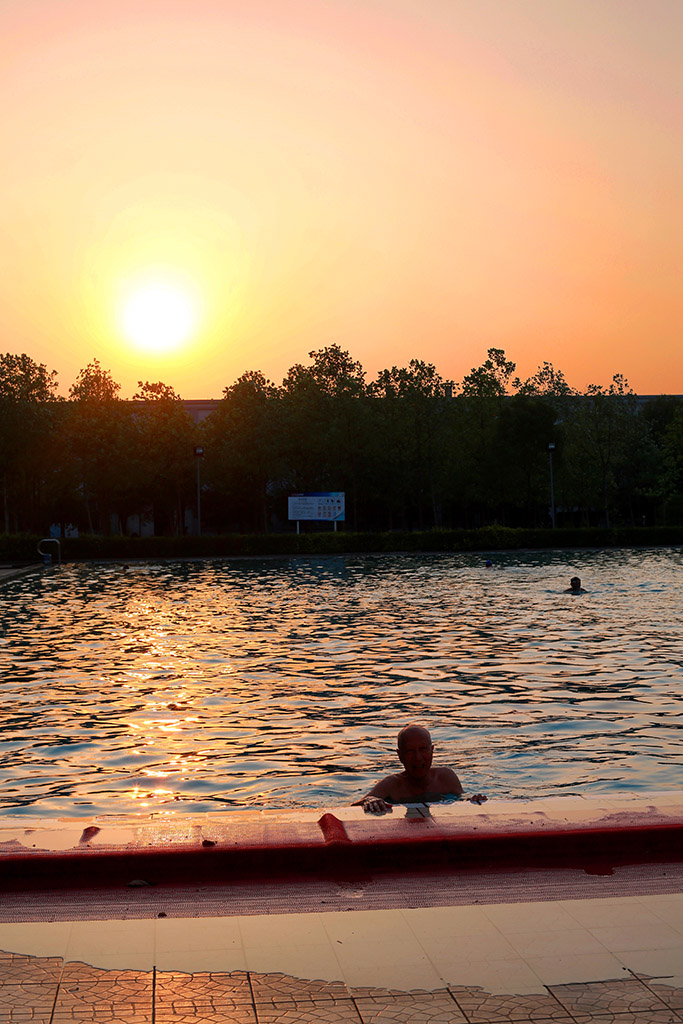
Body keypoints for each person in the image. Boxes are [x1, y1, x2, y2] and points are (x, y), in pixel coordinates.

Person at [353, 724, 487, 814]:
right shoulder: (391, 785)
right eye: (410, 751)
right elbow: (353, 807)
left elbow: (461, 802)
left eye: (423, 749)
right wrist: (370, 800)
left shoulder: (446, 777)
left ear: (432, 751)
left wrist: (473, 800)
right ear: (400, 755)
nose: (418, 758)